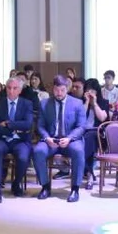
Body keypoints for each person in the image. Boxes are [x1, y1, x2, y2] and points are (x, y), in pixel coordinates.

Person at [35, 75, 86, 203]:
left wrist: (69, 138)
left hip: (70, 140)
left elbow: (81, 126)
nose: (59, 93)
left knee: (79, 151)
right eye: (56, 90)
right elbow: (40, 126)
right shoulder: (44, 104)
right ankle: (45, 187)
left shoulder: (77, 103)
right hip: (51, 140)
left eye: (62, 90)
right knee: (38, 151)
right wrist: (47, 138)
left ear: (67, 89)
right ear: (53, 89)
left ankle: (75, 189)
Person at [0, 77, 35, 203]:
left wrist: (8, 124)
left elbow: (28, 124)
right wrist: (14, 129)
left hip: (20, 140)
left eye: (15, 88)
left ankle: (16, 183)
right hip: (3, 139)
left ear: (20, 90)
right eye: (9, 88)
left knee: (23, 157)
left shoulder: (27, 104)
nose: (11, 91)